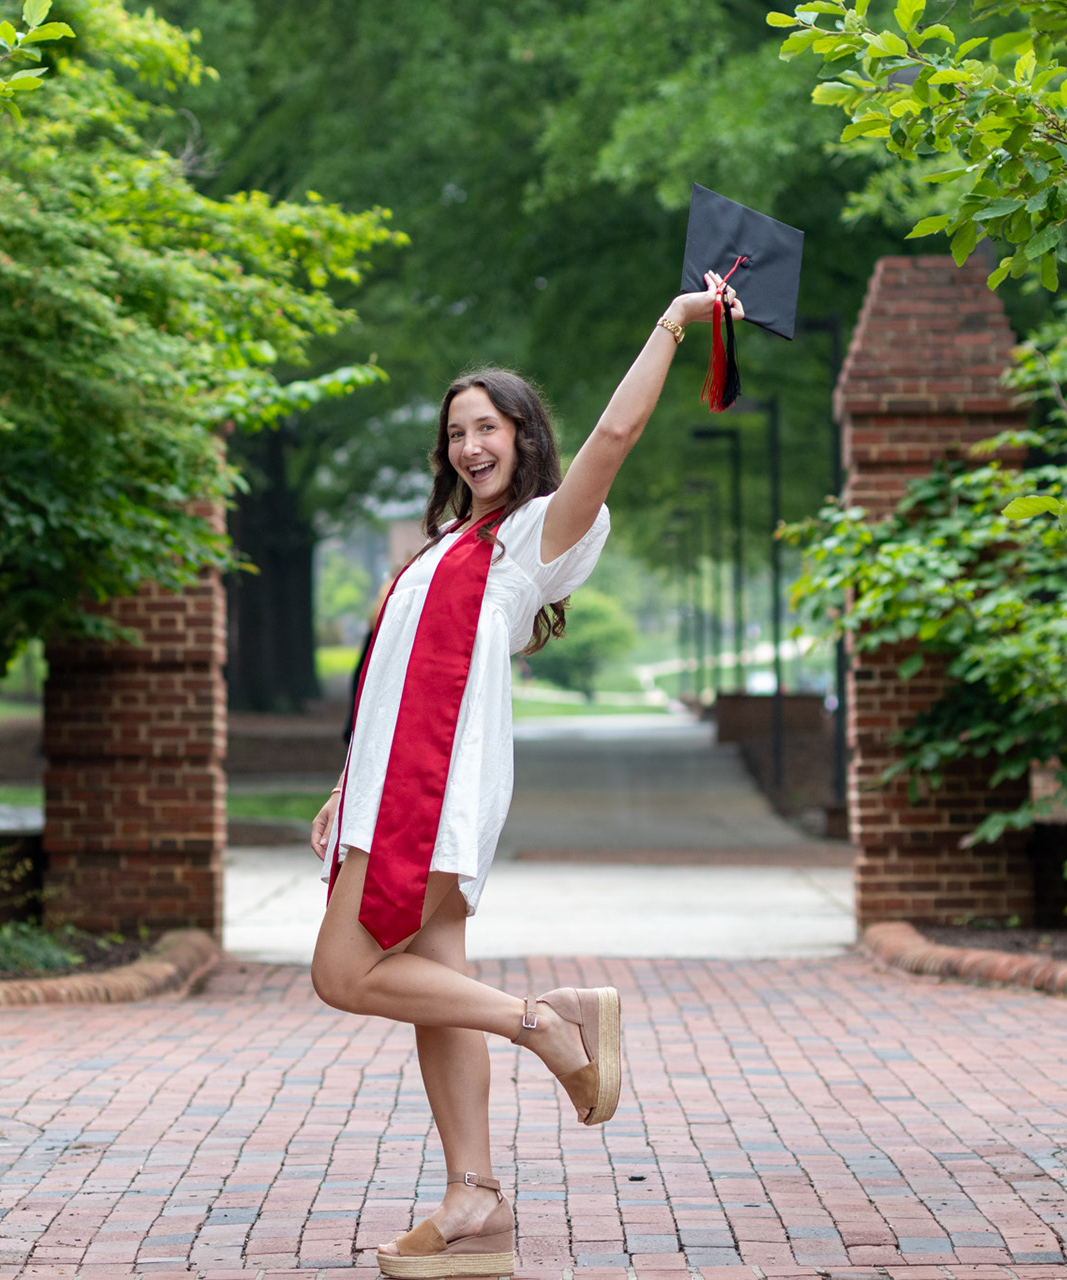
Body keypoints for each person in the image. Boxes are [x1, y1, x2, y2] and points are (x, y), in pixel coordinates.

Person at [308, 272, 744, 1279]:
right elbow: (393, 681)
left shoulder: (528, 537)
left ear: (523, 437)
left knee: (343, 974)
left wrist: (673, 322)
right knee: (435, 984)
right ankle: (477, 1204)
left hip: (431, 796)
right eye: (457, 432)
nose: (471, 445)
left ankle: (547, 1023)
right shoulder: (444, 549)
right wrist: (342, 782)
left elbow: (616, 437)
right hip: (390, 788)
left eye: (489, 428)